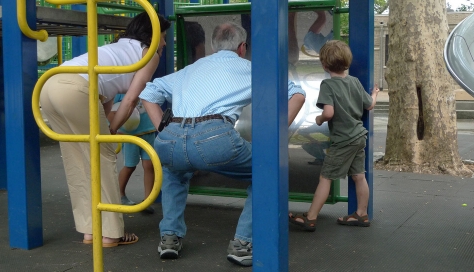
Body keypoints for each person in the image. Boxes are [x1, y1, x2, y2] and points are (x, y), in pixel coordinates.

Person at [139, 22, 306, 267]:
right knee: (265, 171)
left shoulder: (190, 69)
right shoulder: (251, 69)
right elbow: (297, 94)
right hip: (214, 137)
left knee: (174, 172)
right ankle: (243, 243)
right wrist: (274, 136)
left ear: (213, 46)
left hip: (170, 138)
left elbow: (148, 93)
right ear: (242, 47)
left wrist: (162, 129)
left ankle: (169, 238)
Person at [39, 12, 171, 247]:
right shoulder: (149, 54)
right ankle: (110, 233)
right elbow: (130, 100)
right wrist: (112, 129)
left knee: (77, 158)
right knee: (103, 156)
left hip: (50, 84)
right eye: (163, 36)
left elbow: (103, 96)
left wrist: (109, 128)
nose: (164, 43)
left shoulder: (115, 48)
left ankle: (90, 230)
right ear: (152, 35)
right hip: (76, 88)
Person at [288, 40, 379, 232]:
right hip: (358, 137)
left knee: (325, 178)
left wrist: (320, 119)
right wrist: (375, 93)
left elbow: (329, 113)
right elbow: (370, 105)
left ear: (324, 65)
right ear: (347, 62)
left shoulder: (328, 85)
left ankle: (310, 217)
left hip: (343, 140)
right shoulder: (354, 82)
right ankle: (362, 214)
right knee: (359, 177)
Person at [110, 94, 155, 214]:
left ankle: (148, 200)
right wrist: (114, 129)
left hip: (148, 131)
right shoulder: (122, 92)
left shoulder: (148, 88)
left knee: (150, 165)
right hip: (130, 135)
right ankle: (120, 194)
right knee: (130, 166)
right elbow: (111, 111)